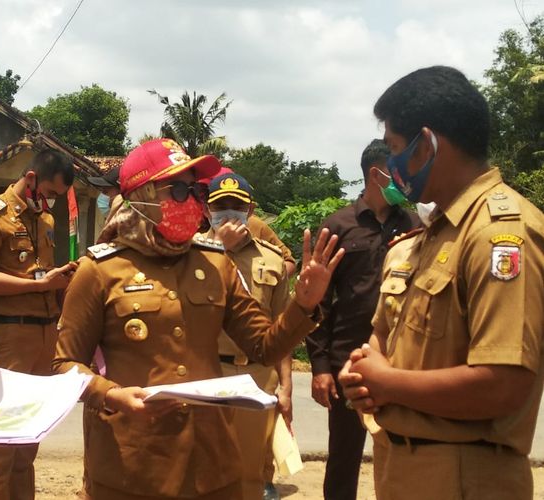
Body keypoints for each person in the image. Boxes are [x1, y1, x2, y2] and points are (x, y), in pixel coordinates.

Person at [52, 138, 344, 499]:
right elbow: (64, 364)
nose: (191, 201)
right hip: (131, 462)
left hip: (210, 463)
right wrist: (112, 395)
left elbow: (263, 346)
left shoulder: (214, 262)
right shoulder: (98, 271)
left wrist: (303, 305)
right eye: (177, 189)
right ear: (142, 195)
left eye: (195, 190)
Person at [339, 66, 544, 500]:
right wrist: (362, 370)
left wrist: (385, 382)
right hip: (403, 467)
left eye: (395, 148)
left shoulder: (498, 234)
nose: (390, 165)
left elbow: (503, 385)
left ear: (427, 144)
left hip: (465, 478)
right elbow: (385, 340)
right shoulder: (429, 236)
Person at [305, 139, 419, 500]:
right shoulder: (338, 225)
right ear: (376, 173)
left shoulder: (416, 225)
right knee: (344, 459)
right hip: (346, 365)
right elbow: (316, 303)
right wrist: (320, 366)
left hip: (403, 365)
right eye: (400, 169)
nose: (408, 179)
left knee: (406, 454)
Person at [0, 148, 77, 500]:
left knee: (29, 439)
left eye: (56, 198)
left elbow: (45, 276)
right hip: (9, 335)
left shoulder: (44, 222)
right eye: (48, 193)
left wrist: (62, 285)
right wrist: (40, 285)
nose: (50, 202)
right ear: (31, 179)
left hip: (46, 334)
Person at [203, 172, 292, 500]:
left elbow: (281, 326)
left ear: (250, 210)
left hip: (258, 377)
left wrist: (287, 386)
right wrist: (218, 250)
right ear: (206, 211)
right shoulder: (189, 256)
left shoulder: (272, 259)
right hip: (208, 373)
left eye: (236, 206)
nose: (228, 213)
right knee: (207, 470)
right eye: (220, 206)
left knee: (252, 475)